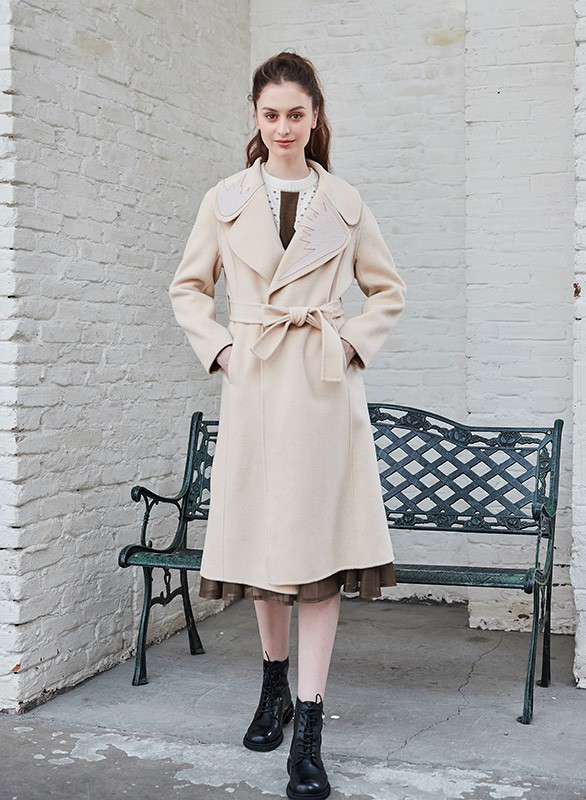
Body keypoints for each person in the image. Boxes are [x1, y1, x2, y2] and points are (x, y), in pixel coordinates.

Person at [169, 51, 406, 800]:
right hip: (255, 386)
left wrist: (351, 342)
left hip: (322, 392)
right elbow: (188, 287)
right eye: (270, 114)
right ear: (255, 116)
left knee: (319, 555)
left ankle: (309, 725)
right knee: (265, 549)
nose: (283, 127)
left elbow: (387, 290)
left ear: (315, 117)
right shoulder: (225, 199)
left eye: (295, 114)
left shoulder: (345, 202)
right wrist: (222, 349)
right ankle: (273, 683)